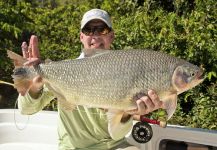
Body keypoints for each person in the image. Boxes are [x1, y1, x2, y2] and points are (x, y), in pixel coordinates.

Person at [18, 9, 163, 150]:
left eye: (102, 29)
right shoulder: (63, 70)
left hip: (115, 145)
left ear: (111, 36)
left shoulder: (126, 71)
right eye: (89, 30)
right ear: (81, 37)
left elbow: (117, 133)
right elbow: (26, 110)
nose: (95, 35)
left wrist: (128, 112)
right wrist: (34, 85)